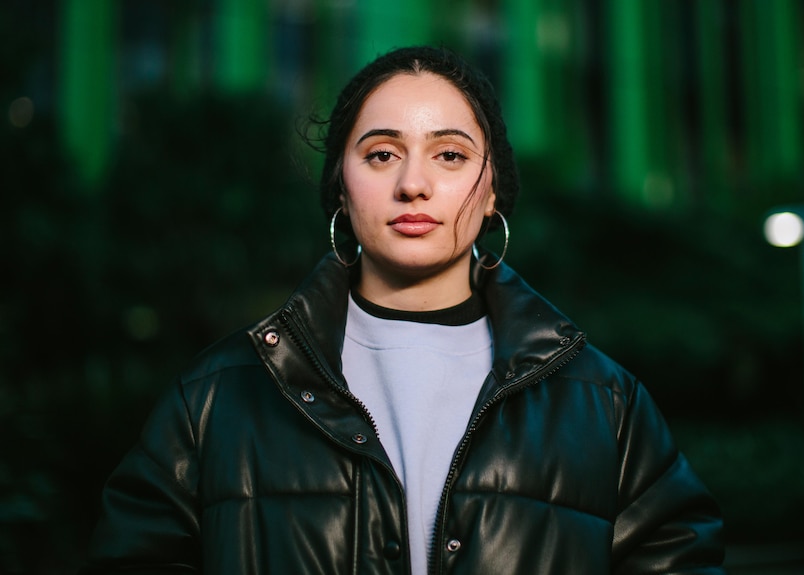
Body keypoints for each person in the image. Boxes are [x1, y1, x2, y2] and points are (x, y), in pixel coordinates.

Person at [81, 46, 725, 574]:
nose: (413, 183)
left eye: (450, 155)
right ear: (341, 183)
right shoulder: (215, 398)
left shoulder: (603, 403)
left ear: (492, 187)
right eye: (382, 153)